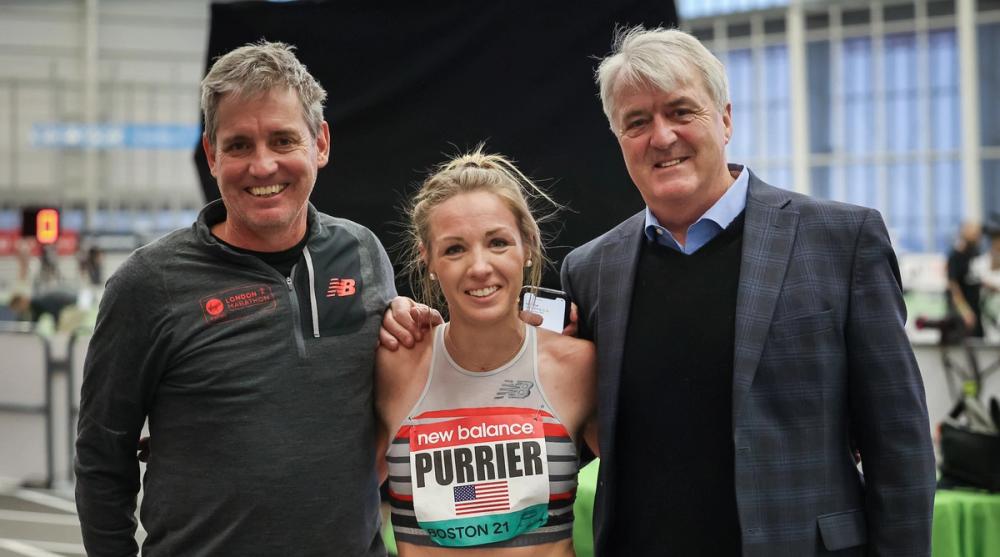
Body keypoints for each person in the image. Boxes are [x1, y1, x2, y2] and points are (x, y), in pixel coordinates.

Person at [560, 27, 936, 556]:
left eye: (681, 111)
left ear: (726, 119)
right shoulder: (590, 270)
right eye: (637, 122)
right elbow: (574, 440)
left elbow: (899, 444)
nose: (662, 136)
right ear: (619, 139)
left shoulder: (841, 241)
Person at [75, 41, 424, 556]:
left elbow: (383, 410)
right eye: (239, 145)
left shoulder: (362, 252)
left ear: (320, 143)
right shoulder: (148, 284)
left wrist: (409, 324)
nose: (263, 167)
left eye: (283, 140)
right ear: (212, 154)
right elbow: (102, 457)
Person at [376, 149, 597, 554]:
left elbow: (650, 491)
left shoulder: (579, 366)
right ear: (428, 260)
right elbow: (332, 493)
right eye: (455, 249)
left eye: (497, 242)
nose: (479, 267)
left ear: (526, 246)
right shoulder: (393, 363)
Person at [947, 221, 984, 338]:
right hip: (961, 313)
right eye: (973, 233)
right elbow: (953, 287)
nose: (977, 236)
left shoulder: (976, 253)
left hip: (976, 309)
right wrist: (965, 311)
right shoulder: (955, 257)